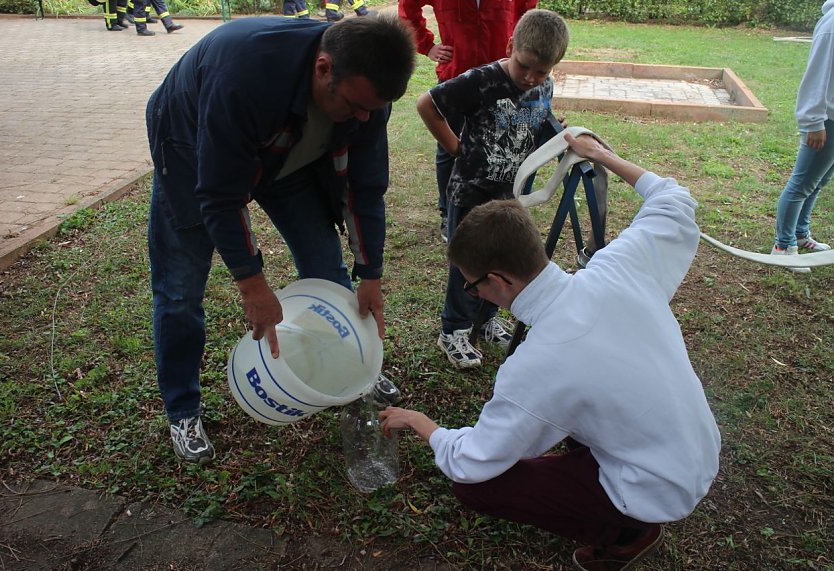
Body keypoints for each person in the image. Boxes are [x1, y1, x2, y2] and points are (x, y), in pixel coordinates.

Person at [380, 132, 722, 571]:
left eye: (472, 285)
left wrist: (422, 423)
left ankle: (626, 534)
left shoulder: (539, 363)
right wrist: (602, 155)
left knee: (475, 488)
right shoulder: (616, 267)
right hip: (697, 449)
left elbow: (471, 462)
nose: (473, 292)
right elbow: (674, 200)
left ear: (498, 280)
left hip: (654, 489)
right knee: (573, 402)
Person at [146, 15, 416, 464]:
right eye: (355, 106)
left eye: (372, 110)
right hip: (192, 146)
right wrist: (252, 285)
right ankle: (182, 410)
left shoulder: (367, 95)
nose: (364, 119)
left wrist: (371, 275)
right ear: (323, 68)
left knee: (326, 269)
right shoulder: (244, 77)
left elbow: (365, 187)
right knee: (180, 288)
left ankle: (347, 369)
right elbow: (219, 195)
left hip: (288, 155)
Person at [417, 9, 568, 368]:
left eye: (541, 71)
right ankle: (454, 329)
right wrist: (456, 148)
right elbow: (427, 105)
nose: (530, 78)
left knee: (502, 260)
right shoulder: (481, 80)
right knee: (469, 264)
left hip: (511, 194)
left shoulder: (543, 85)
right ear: (510, 46)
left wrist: (558, 134)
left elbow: (535, 121)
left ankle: (485, 320)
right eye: (524, 66)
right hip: (472, 192)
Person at [399, 0, 536, 242]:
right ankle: (448, 212)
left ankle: (498, 210)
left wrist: (519, 52)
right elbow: (407, 8)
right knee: (448, 149)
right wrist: (427, 46)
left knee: (501, 147)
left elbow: (529, 13)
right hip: (456, 78)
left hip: (501, 81)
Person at [770, 0, 834, 273]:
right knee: (802, 185)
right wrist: (813, 121)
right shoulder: (832, 24)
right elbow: (817, 74)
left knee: (818, 183)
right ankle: (783, 247)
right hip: (826, 120)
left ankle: (799, 233)